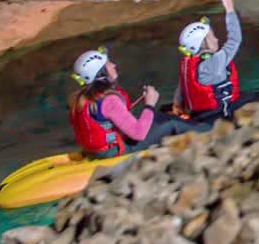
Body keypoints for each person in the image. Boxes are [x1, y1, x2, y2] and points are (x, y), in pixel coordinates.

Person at [67, 47, 207, 160]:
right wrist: (149, 105)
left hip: (94, 151)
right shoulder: (109, 100)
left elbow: (106, 120)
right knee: (170, 123)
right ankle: (210, 131)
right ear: (100, 73)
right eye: (108, 63)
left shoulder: (80, 97)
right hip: (115, 153)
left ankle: (196, 128)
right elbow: (138, 134)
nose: (113, 65)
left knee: (159, 115)